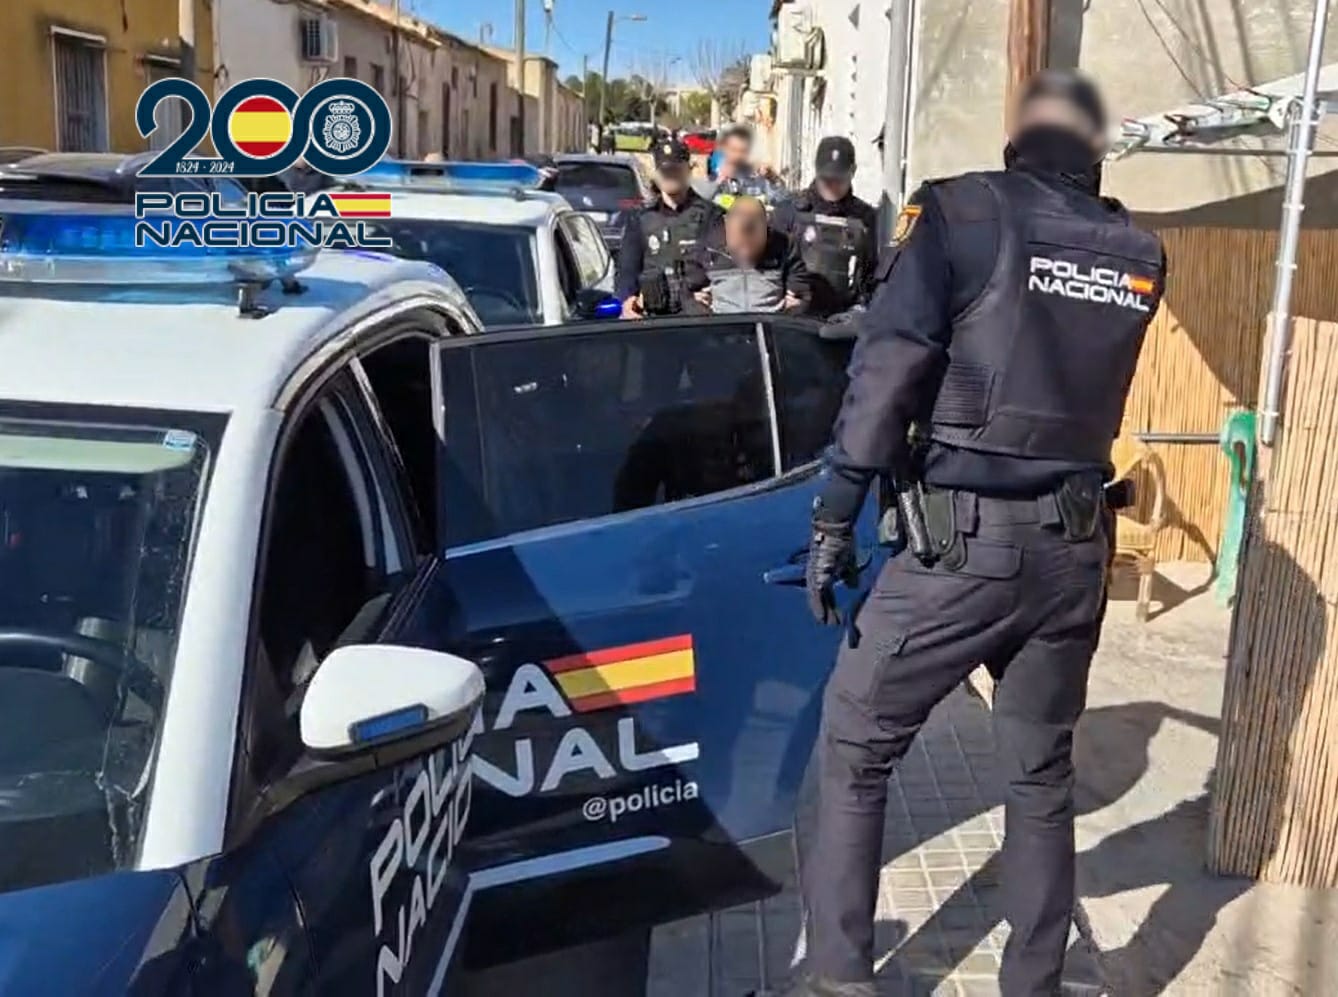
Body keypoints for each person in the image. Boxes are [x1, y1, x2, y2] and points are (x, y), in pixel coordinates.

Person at [790, 69, 1167, 997]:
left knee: (853, 744)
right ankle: (1032, 984)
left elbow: (887, 374)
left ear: (1017, 140)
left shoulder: (959, 215)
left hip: (963, 549)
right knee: (1040, 779)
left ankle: (839, 980)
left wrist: (836, 514)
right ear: (1097, 149)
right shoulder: (1140, 251)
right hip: (1076, 552)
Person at [615, 136, 724, 318]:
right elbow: (627, 272)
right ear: (656, 174)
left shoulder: (711, 216)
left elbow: (724, 267)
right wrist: (627, 303)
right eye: (665, 172)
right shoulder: (640, 219)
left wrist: (713, 294)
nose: (670, 177)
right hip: (652, 320)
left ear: (688, 170)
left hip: (698, 318)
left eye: (676, 170)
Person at [771, 136, 878, 319]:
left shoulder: (866, 219)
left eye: (839, 179)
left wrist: (862, 307)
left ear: (852, 172)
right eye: (826, 179)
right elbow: (768, 262)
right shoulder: (788, 213)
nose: (832, 186)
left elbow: (875, 273)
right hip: (795, 316)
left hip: (845, 316)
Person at [681, 196, 810, 314]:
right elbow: (690, 293)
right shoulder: (706, 248)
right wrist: (699, 308)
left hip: (771, 328)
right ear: (727, 225)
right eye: (739, 246)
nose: (746, 254)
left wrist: (793, 309)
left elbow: (800, 292)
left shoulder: (784, 246)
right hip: (721, 329)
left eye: (753, 246)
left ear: (766, 226)